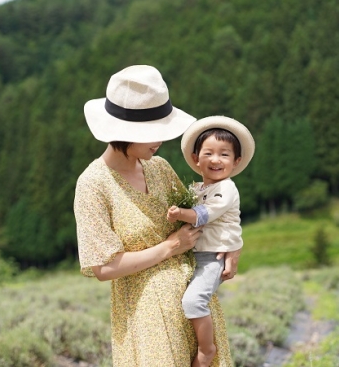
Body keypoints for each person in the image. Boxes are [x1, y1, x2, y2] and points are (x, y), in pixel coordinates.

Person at [74, 65, 238, 367]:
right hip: (146, 317)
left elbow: (203, 214)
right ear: (124, 131)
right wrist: (171, 247)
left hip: (193, 307)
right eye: (153, 132)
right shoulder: (94, 184)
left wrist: (230, 246)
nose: (160, 140)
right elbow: (103, 268)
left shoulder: (159, 167)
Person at [167, 116, 254, 367]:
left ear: (236, 162)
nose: (216, 160)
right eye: (209, 153)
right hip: (196, 256)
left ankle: (207, 349)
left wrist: (179, 214)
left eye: (224, 155)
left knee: (194, 301)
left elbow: (204, 215)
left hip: (213, 258)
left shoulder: (225, 189)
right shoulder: (197, 188)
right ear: (196, 158)